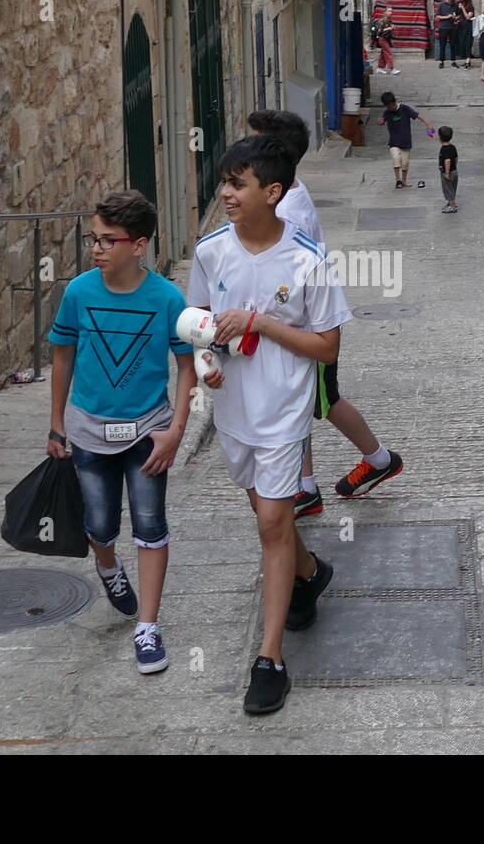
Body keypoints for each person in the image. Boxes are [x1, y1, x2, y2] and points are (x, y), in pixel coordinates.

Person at [187, 136, 353, 715]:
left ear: (272, 192)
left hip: (284, 412)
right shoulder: (210, 252)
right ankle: (309, 571)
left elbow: (327, 347)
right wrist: (205, 363)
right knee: (270, 520)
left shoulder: (308, 258)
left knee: (271, 526)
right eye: (225, 183)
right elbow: (196, 324)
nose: (225, 193)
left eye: (238, 184)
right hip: (233, 411)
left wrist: (261, 321)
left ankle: (269, 657)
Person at [46, 190, 196, 674]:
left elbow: (186, 368)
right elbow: (62, 356)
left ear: (139, 245)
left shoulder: (167, 299)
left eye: (109, 240)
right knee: (99, 526)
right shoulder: (79, 292)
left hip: (148, 433)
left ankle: (148, 627)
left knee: (151, 526)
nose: (96, 249)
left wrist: (175, 431)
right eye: (94, 239)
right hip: (88, 431)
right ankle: (108, 566)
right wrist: (56, 426)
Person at [248, 110, 404, 519]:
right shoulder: (283, 197)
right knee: (307, 403)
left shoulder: (289, 210)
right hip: (294, 328)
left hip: (307, 329)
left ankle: (378, 458)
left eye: (253, 144)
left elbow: (291, 275)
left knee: (320, 401)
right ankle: (306, 486)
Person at [377, 90, 436, 189]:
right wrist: (380, 121)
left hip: (405, 141)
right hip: (394, 142)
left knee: (405, 163)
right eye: (389, 106)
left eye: (392, 105)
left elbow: (417, 115)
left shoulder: (405, 109)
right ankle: (398, 180)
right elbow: (382, 121)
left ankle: (404, 180)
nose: (391, 108)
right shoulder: (387, 113)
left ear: (395, 102)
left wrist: (428, 123)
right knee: (396, 159)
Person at [438, 126, 459, 213]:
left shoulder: (444, 149)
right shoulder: (452, 147)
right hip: (454, 171)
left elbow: (447, 160)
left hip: (448, 172)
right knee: (452, 188)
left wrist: (447, 172)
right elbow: (456, 158)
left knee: (448, 189)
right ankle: (451, 203)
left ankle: (452, 206)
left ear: (440, 138)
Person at [375, 8, 399, 75]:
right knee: (389, 53)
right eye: (389, 11)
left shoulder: (389, 20)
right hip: (382, 39)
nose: (390, 13)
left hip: (386, 39)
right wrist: (389, 28)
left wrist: (392, 27)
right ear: (385, 12)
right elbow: (379, 31)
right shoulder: (382, 20)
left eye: (391, 11)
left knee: (383, 54)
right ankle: (392, 69)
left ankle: (379, 68)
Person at [435, 0, 456, 68]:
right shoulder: (441, 5)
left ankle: (453, 61)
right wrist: (447, 17)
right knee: (442, 45)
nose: (451, 2)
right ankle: (441, 62)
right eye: (451, 0)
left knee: (453, 44)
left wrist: (456, 18)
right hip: (443, 28)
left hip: (452, 28)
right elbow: (437, 16)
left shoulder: (455, 5)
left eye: (453, 1)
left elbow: (458, 15)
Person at [456, 0, 476, 69]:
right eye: (462, 2)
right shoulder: (462, 8)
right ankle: (467, 60)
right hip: (462, 28)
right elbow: (462, 17)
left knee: (468, 44)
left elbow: (468, 17)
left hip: (468, 29)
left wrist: (463, 8)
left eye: (464, 2)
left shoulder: (470, 8)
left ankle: (468, 61)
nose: (462, 3)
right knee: (464, 44)